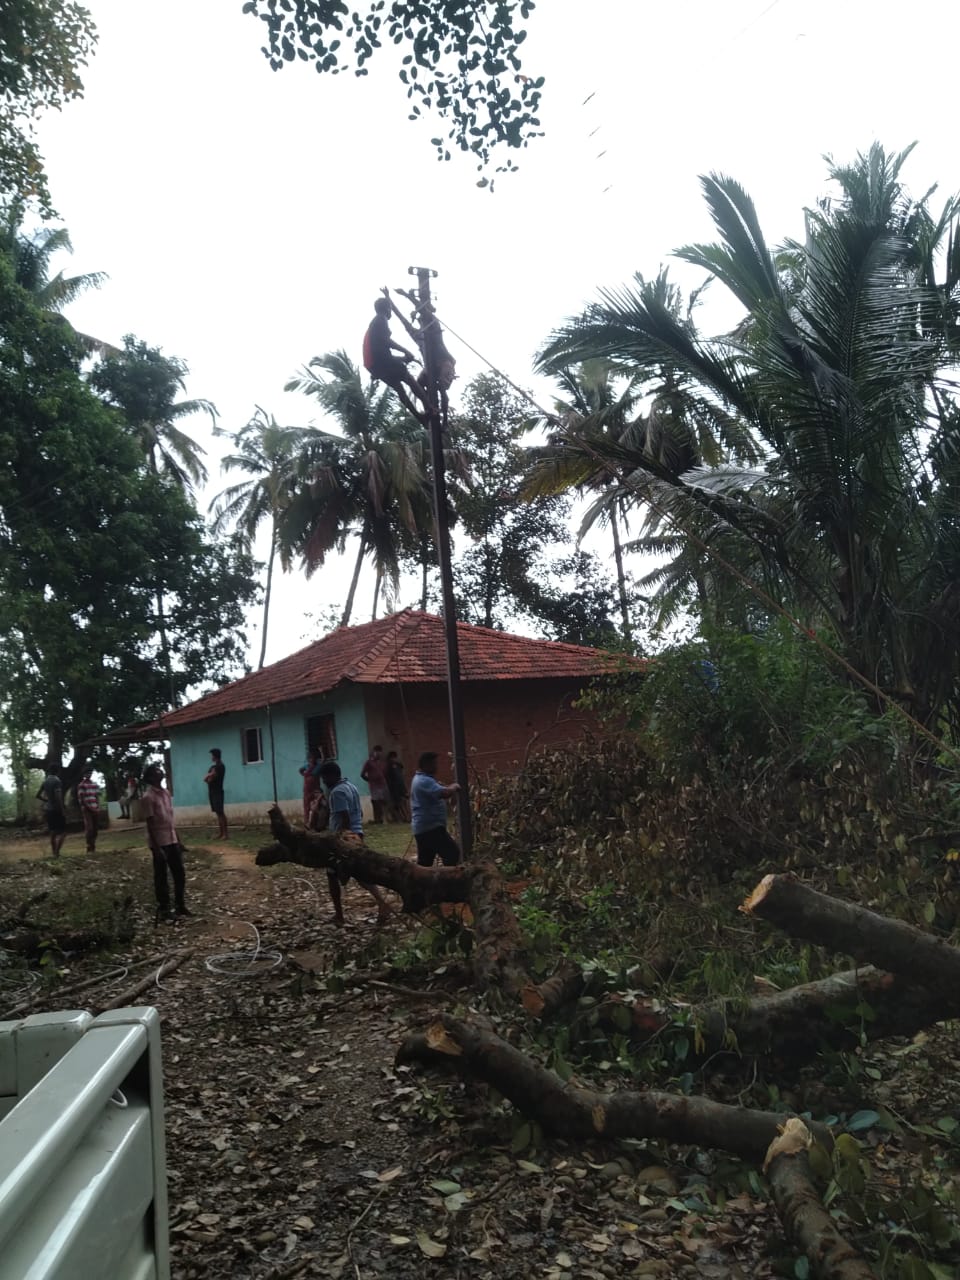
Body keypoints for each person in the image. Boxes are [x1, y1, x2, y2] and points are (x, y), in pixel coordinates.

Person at [318, 761, 390, 926]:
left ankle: (339, 915)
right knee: (361, 874)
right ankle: (382, 904)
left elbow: (344, 817)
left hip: (344, 838)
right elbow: (358, 812)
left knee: (332, 875)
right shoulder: (351, 786)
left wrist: (342, 841)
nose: (324, 781)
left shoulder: (337, 792)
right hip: (357, 834)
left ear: (332, 775)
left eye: (325, 778)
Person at [140, 763, 190, 921]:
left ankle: (180, 905)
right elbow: (150, 824)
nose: (160, 772)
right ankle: (164, 908)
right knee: (161, 876)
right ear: (150, 778)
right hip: (159, 842)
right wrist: (156, 847)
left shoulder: (166, 793)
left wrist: (179, 840)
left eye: (160, 770)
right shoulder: (148, 797)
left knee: (179, 873)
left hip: (171, 838)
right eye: (156, 771)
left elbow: (170, 820)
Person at [362, 296, 425, 420]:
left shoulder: (374, 324)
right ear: (386, 308)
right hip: (380, 362)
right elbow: (387, 341)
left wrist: (403, 358)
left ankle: (419, 417)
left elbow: (383, 352)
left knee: (399, 388)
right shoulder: (381, 319)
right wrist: (405, 351)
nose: (391, 311)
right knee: (407, 377)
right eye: (390, 308)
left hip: (374, 365)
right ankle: (429, 406)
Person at [410, 751, 462, 867]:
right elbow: (444, 792)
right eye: (434, 764)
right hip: (431, 828)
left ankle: (421, 884)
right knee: (452, 853)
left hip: (424, 827)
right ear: (426, 765)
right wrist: (455, 786)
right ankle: (447, 881)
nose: (436, 766)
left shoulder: (422, 779)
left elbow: (439, 791)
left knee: (425, 862)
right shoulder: (424, 781)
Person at [36, 765, 66, 858]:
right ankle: (57, 852)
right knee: (63, 832)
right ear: (57, 772)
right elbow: (58, 796)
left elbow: (38, 795)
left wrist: (47, 801)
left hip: (48, 809)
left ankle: (54, 853)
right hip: (56, 809)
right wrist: (62, 809)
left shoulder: (45, 782)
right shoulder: (57, 781)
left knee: (53, 832)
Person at [360, 744, 389, 824]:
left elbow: (384, 773)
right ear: (374, 752)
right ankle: (378, 819)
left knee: (384, 801)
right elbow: (362, 774)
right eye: (377, 752)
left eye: (380, 752)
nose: (379, 754)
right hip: (374, 786)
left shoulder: (382, 763)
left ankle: (385, 819)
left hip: (382, 784)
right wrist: (370, 780)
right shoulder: (369, 762)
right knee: (376, 802)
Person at [203, 747, 228, 839]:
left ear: (215, 756)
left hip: (217, 791)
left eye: (212, 755)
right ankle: (221, 833)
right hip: (212, 791)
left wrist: (209, 775)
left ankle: (225, 834)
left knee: (220, 812)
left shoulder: (220, 766)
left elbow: (210, 778)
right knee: (218, 813)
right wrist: (209, 775)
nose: (211, 757)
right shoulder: (213, 767)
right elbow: (207, 779)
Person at [76, 765, 100, 853]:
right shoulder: (81, 785)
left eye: (90, 773)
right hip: (87, 809)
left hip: (94, 807)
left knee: (95, 829)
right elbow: (81, 799)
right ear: (84, 774)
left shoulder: (94, 785)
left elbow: (97, 797)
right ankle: (89, 845)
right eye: (87, 773)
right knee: (89, 828)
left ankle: (93, 845)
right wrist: (90, 808)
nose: (89, 774)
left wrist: (97, 807)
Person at [300, 747, 323, 825]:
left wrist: (321, 751)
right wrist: (304, 774)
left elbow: (323, 761)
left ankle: (315, 823)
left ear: (315, 759)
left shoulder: (318, 766)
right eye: (310, 758)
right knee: (306, 808)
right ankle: (307, 823)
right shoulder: (307, 766)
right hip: (307, 790)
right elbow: (300, 770)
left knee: (316, 807)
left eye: (312, 758)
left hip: (315, 790)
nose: (311, 760)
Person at [386, 750, 409, 822]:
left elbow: (401, 777)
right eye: (393, 758)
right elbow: (389, 778)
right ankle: (403, 818)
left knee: (403, 803)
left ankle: (406, 817)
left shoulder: (398, 765)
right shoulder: (389, 766)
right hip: (394, 787)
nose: (394, 759)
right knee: (398, 804)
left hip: (400, 786)